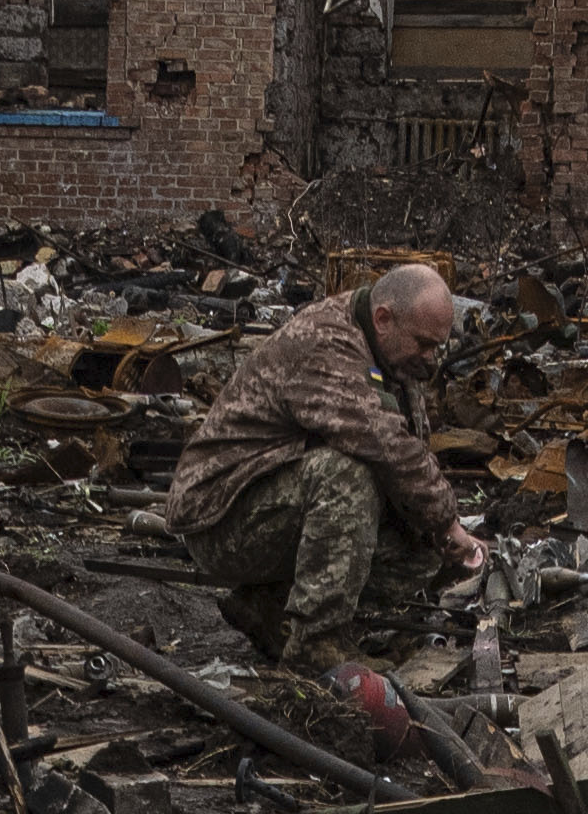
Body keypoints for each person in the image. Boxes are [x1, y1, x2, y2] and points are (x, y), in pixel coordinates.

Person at [167, 260, 478, 685]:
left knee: (420, 552)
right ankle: (316, 642)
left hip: (274, 503)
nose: (430, 359)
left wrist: (437, 533)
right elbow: (385, 445)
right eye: (423, 344)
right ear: (383, 318)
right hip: (221, 515)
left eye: (436, 347)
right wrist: (448, 522)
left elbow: (409, 454)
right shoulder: (324, 344)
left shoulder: (391, 357)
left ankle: (270, 607)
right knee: (347, 474)